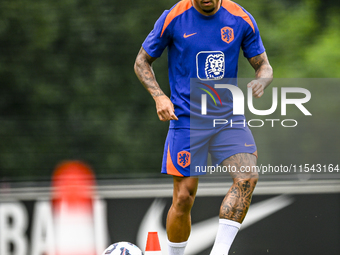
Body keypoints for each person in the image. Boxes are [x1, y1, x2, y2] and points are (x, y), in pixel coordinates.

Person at [134, 0, 273, 254]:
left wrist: (261, 81)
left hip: (227, 117)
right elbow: (142, 61)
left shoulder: (240, 18)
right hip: (186, 120)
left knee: (247, 177)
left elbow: (263, 65)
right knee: (184, 196)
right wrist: (159, 96)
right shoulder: (174, 18)